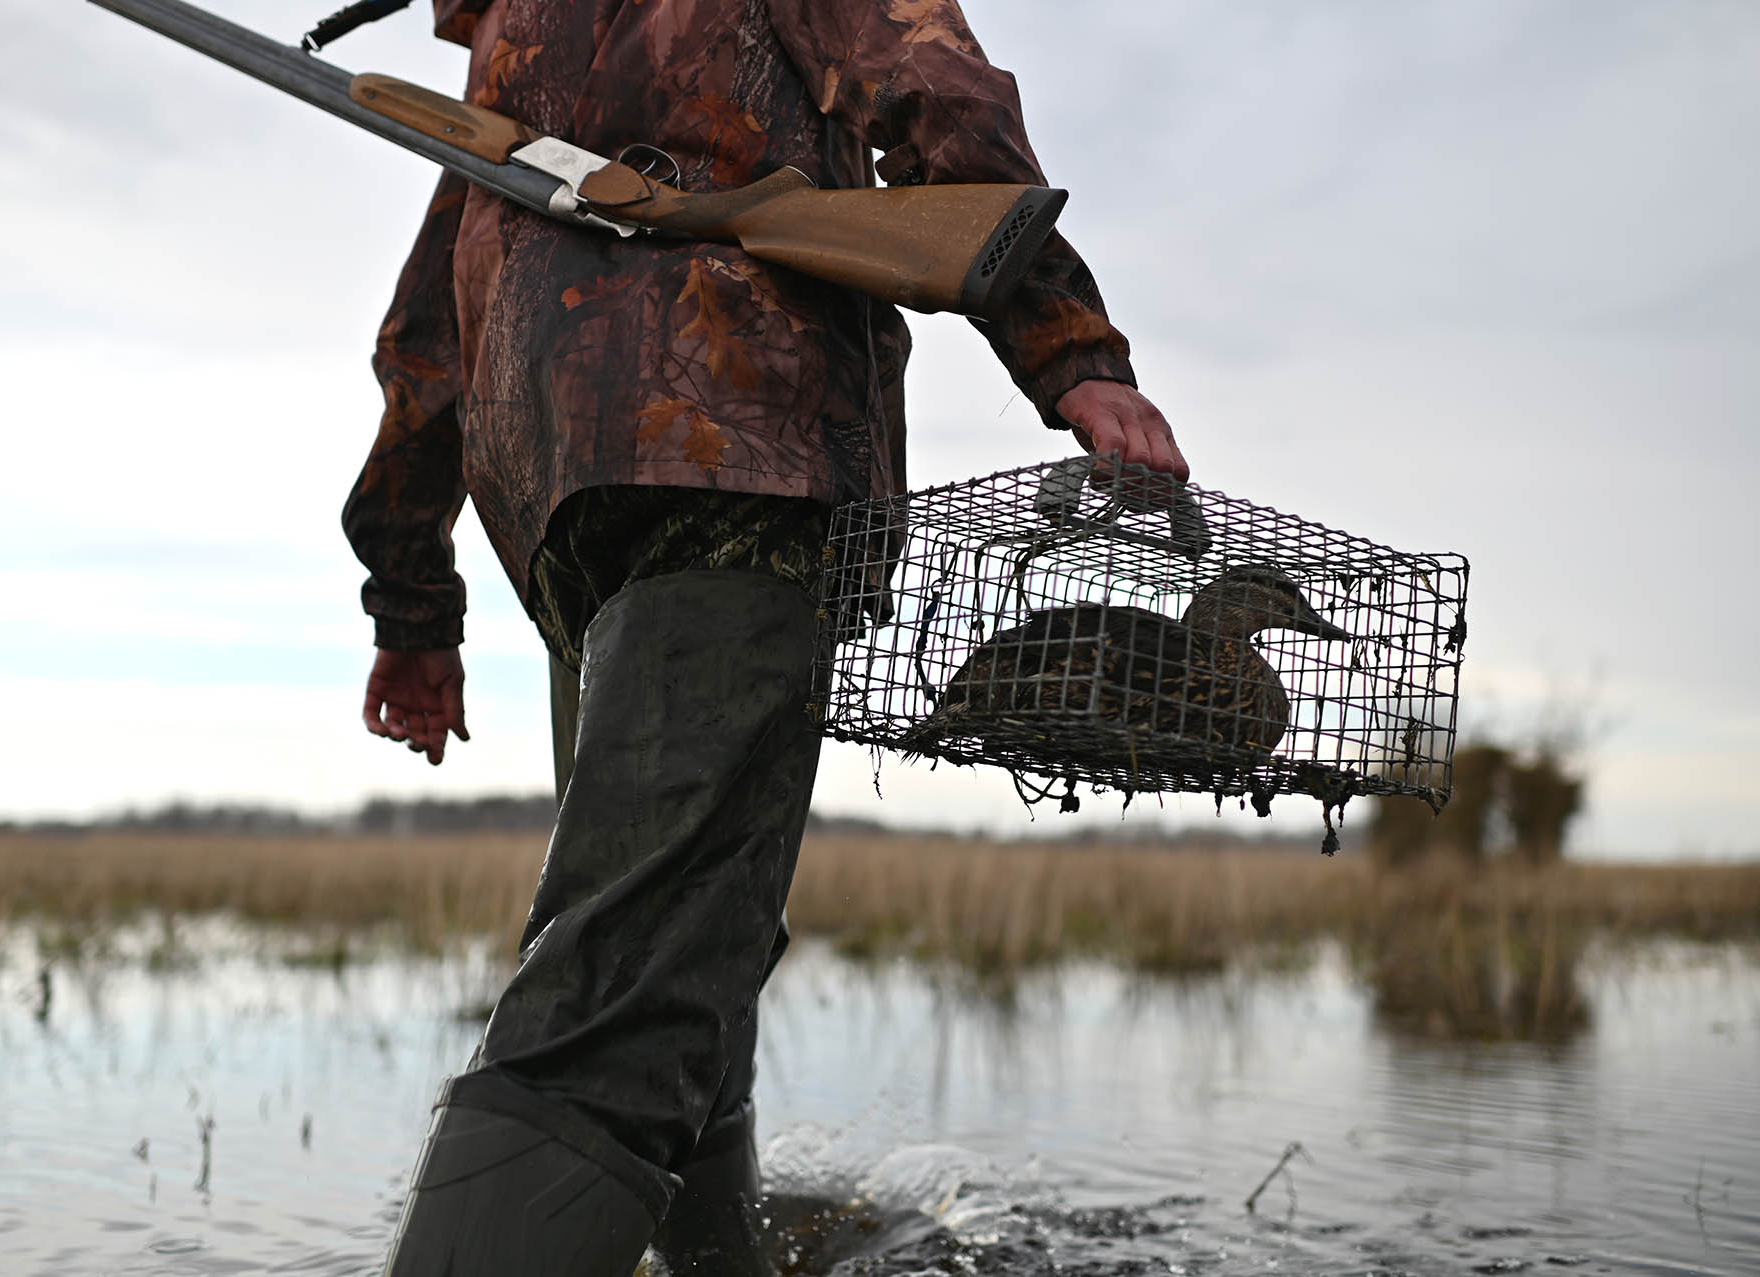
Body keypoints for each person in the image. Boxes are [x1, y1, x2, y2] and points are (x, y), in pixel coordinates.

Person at [342, 1, 1188, 1272]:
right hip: (746, 460)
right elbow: (929, 86)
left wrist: (414, 600)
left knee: (684, 941)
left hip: (573, 508)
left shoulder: (517, 29)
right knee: (628, 983)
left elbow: (428, 338)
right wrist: (1071, 346)